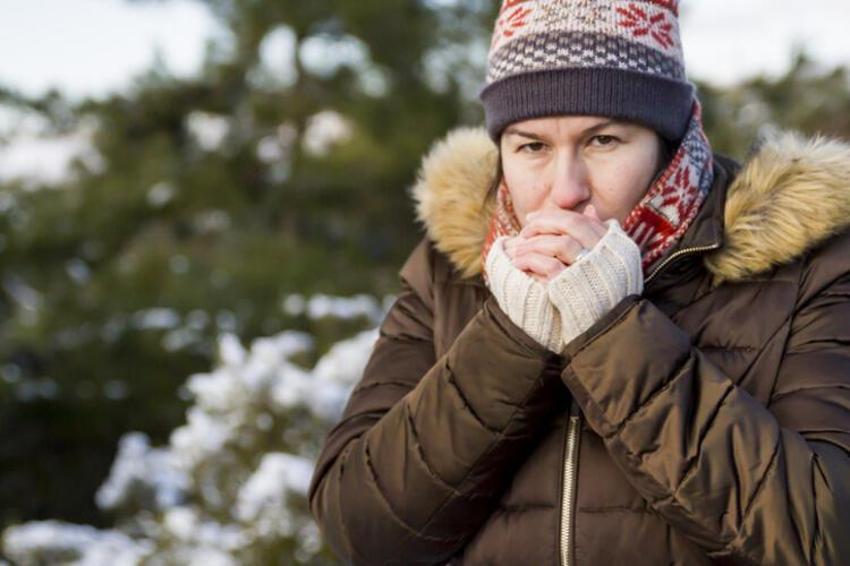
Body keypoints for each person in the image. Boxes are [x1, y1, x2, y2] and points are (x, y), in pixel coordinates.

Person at [308, 0, 850, 564]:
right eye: (532, 146)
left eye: (603, 141)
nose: (565, 191)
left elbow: (825, 537)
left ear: (667, 140)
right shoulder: (453, 265)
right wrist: (511, 339)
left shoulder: (806, 263)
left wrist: (612, 334)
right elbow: (361, 528)